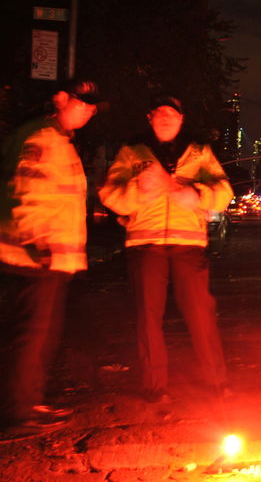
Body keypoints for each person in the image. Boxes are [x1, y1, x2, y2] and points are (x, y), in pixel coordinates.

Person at [99, 95, 232, 403]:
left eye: (172, 114)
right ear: (150, 117)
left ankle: (216, 381)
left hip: (188, 244)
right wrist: (139, 191)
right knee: (148, 316)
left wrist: (197, 195)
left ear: (181, 119)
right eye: (160, 113)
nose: (166, 118)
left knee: (201, 314)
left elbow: (224, 192)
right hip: (146, 244)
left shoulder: (199, 152)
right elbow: (110, 194)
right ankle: (154, 386)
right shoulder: (132, 151)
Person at [1, 80, 104, 433]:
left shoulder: (60, 140)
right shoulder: (42, 138)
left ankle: (30, 401)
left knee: (42, 335)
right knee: (30, 334)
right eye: (82, 104)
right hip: (33, 256)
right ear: (61, 100)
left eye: (92, 108)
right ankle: (17, 412)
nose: (88, 111)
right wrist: (37, 239)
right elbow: (25, 187)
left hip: (51, 259)